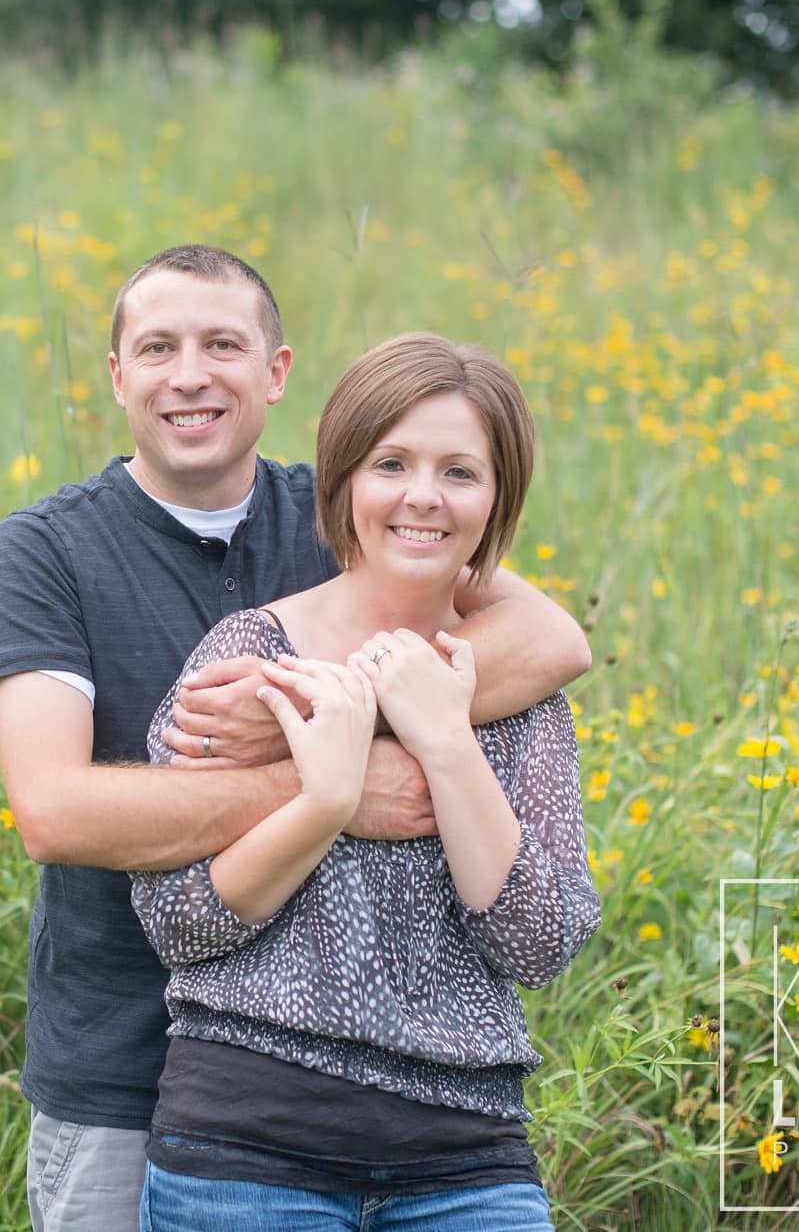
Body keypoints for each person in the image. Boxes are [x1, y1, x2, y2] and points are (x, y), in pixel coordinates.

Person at [0, 246, 591, 1232]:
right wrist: (329, 778)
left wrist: (353, 707)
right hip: (129, 1059)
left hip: (417, 1112)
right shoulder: (49, 548)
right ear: (117, 373)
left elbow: (551, 639)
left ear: (275, 371)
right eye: (156, 346)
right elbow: (51, 810)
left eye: (222, 344)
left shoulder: (350, 510)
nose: (188, 374)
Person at [128, 332, 599, 1230]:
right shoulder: (249, 666)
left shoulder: (521, 691)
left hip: (468, 1160)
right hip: (248, 1152)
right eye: (392, 463)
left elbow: (539, 947)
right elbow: (176, 921)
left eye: (461, 471)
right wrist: (327, 803)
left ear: (497, 500)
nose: (423, 495)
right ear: (343, 479)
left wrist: (445, 738)